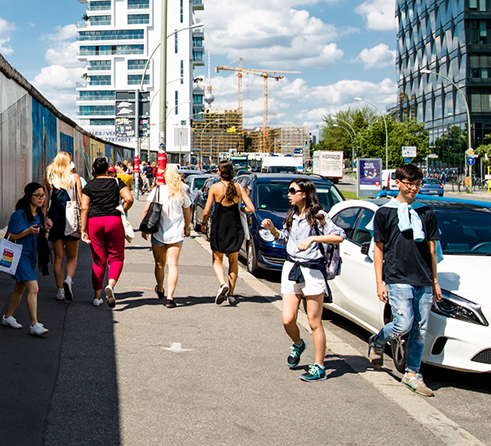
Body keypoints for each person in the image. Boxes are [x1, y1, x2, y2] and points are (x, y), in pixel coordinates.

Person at [366, 163, 442, 396]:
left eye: (418, 184)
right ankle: (378, 340)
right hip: (397, 277)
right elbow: (378, 249)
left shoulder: (426, 212)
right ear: (397, 182)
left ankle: (412, 374)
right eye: (410, 183)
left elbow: (432, 250)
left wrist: (435, 281)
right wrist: (379, 281)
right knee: (403, 324)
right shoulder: (384, 213)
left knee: (420, 329)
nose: (414, 189)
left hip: (423, 278)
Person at [261, 178, 345, 381]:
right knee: (287, 318)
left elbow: (339, 236)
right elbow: (285, 240)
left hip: (312, 270)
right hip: (291, 267)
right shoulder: (291, 215)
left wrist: (313, 238)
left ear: (304, 193)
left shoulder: (318, 216)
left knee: (314, 321)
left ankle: (319, 366)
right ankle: (298, 344)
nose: (288, 194)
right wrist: (272, 230)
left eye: (292, 190)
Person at [81, 157, 134, 307]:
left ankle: (97, 297)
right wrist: (122, 209)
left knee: (98, 259)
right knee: (116, 257)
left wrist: (83, 230)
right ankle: (110, 285)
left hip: (94, 222)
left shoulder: (89, 185)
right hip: (113, 220)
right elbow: (129, 199)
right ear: (107, 169)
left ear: (94, 170)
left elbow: (84, 208)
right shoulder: (117, 182)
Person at [201, 160, 255, 305]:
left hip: (219, 226)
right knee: (233, 261)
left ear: (220, 172)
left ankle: (222, 284)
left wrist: (204, 223)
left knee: (217, 259)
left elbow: (206, 211)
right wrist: (241, 209)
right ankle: (231, 293)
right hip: (235, 227)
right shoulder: (238, 187)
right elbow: (251, 208)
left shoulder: (215, 187)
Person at [1, 182, 50, 336]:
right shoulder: (19, 215)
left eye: (43, 195)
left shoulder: (39, 215)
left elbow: (42, 236)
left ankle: (7, 317)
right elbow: (10, 236)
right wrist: (27, 231)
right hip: (19, 256)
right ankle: (35, 324)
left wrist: (46, 227)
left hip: (31, 257)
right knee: (33, 288)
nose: (41, 198)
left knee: (19, 289)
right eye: (38, 195)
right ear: (29, 196)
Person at [140, 165, 191, 308]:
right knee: (173, 264)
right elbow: (187, 213)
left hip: (158, 232)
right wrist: (186, 227)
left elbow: (146, 209)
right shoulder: (181, 191)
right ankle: (170, 298)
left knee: (159, 263)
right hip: (176, 233)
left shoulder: (157, 190)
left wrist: (144, 229)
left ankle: (161, 288)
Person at [45, 152, 83, 302]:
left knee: (58, 257)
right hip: (71, 220)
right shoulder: (74, 178)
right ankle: (68, 280)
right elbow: (80, 202)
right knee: (72, 256)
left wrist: (44, 219)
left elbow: (44, 203)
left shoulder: (49, 179)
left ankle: (60, 290)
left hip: (55, 219)